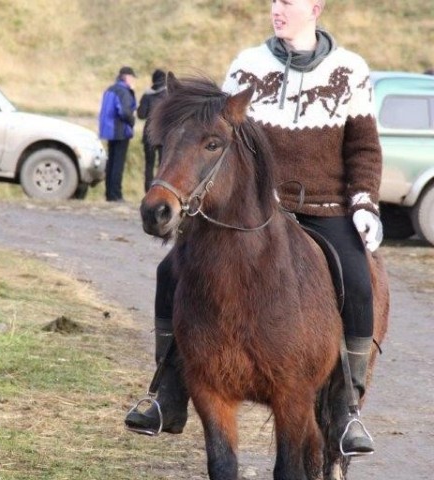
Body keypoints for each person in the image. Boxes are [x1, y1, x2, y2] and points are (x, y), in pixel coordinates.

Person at [125, 0, 383, 457]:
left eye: (287, 1)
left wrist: (363, 203)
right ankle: (168, 390)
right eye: (274, 1)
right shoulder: (248, 65)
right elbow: (221, 138)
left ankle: (345, 408)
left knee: (359, 280)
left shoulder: (350, 69)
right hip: (258, 209)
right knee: (170, 272)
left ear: (315, 7)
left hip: (326, 207)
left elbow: (363, 147)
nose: (276, 9)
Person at [99, 66, 137, 202]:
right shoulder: (124, 92)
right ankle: (116, 195)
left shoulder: (110, 89)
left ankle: (109, 193)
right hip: (120, 131)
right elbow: (125, 112)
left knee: (111, 163)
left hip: (108, 131)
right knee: (118, 165)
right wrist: (132, 121)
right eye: (132, 78)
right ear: (127, 77)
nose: (134, 81)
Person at [138, 69, 167, 192]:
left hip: (149, 134)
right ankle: (160, 191)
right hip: (163, 134)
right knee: (163, 165)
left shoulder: (147, 95)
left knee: (148, 166)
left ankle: (148, 191)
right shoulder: (168, 94)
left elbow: (141, 115)